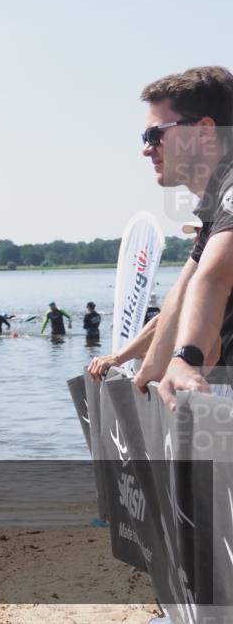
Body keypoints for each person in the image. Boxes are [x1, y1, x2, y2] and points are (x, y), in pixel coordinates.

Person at [87, 67, 232, 393]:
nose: (147, 148)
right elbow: (181, 296)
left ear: (204, 131)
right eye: (144, 138)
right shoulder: (213, 205)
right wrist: (143, 379)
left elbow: (216, 276)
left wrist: (185, 359)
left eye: (156, 134)